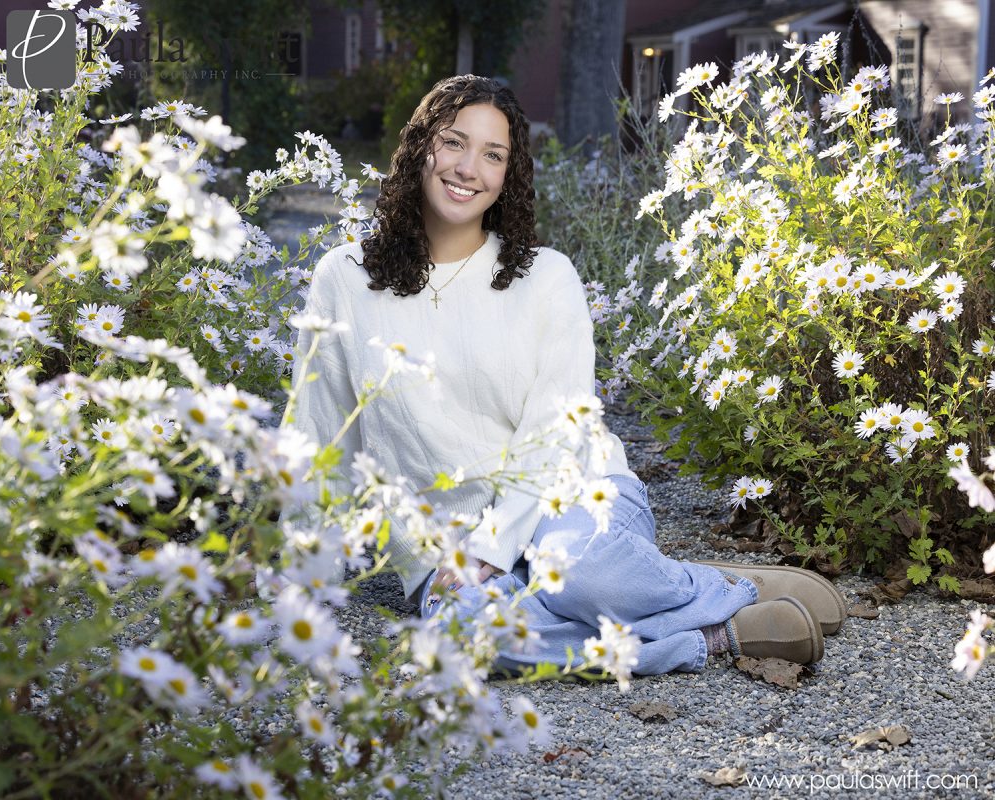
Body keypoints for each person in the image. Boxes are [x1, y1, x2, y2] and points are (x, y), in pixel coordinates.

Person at [286, 75, 847, 676]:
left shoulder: (545, 277)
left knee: (580, 573)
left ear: (509, 175)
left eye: (493, 155)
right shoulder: (345, 279)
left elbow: (555, 432)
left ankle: (675, 586)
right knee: (468, 638)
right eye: (453, 142)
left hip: (568, 496)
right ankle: (714, 623)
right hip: (442, 547)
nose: (469, 168)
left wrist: (493, 546)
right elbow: (320, 432)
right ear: (421, 146)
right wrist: (305, 571)